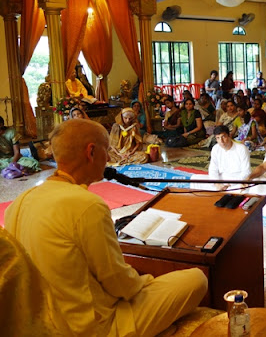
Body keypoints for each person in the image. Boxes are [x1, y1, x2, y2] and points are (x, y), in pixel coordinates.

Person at [4, 119, 208, 336]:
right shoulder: (86, 204)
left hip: (42, 323)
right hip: (89, 327)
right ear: (91, 152)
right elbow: (120, 285)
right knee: (196, 279)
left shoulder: (19, 203)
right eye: (107, 150)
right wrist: (147, 281)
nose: (110, 158)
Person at [192, 125, 251, 191]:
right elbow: (213, 170)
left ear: (229, 136)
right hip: (221, 179)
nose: (221, 141)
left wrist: (230, 184)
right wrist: (217, 184)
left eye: (223, 137)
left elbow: (246, 172)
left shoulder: (241, 149)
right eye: (218, 138)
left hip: (237, 180)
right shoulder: (215, 148)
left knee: (248, 187)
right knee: (194, 179)